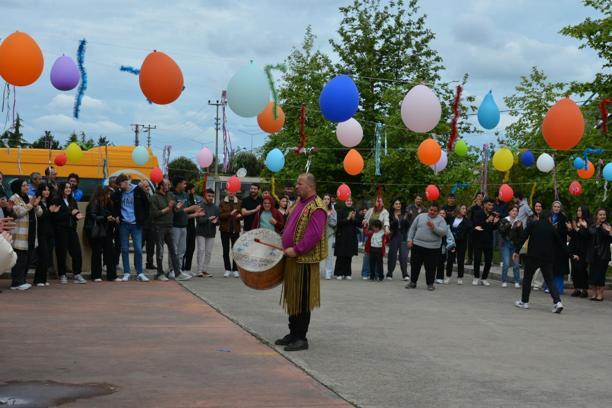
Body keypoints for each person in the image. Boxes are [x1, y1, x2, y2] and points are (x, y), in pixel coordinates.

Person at [274, 173, 327, 352]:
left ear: (310, 186)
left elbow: (313, 235)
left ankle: (301, 337)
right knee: (292, 296)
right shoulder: (300, 203)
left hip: (304, 260)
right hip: (292, 259)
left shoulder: (317, 207)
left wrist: (296, 250)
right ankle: (293, 333)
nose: (296, 186)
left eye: (299, 183)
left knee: (302, 299)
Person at [513, 210, 567, 313]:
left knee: (527, 279)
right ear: (549, 218)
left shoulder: (533, 224)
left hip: (533, 256)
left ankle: (524, 302)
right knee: (550, 280)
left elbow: (523, 236)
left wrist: (517, 251)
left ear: (538, 216)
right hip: (547, 258)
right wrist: (570, 254)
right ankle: (558, 302)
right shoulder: (552, 228)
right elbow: (560, 243)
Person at [111, 174, 150, 282]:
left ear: (126, 182)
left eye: (120, 184)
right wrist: (116, 215)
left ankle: (140, 272)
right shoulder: (119, 192)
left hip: (136, 224)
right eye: (118, 185)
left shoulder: (138, 190)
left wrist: (143, 220)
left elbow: (146, 205)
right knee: (124, 249)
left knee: (138, 248)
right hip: (124, 223)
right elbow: (113, 201)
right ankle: (127, 272)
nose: (120, 187)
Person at [8, 179, 42, 290]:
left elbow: (40, 213)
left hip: (31, 233)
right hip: (20, 234)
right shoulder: (14, 198)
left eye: (27, 185)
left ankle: (22, 280)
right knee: (20, 259)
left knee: (28, 258)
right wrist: (31, 205)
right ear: (18, 187)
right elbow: (18, 212)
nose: (26, 187)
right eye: (23, 185)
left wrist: (36, 205)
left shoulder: (29, 197)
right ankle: (16, 282)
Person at [149, 178, 185, 281]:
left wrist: (178, 207)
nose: (169, 186)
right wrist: (167, 209)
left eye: (169, 184)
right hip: (158, 227)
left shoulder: (170, 195)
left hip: (170, 225)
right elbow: (153, 214)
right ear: (161, 186)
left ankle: (178, 273)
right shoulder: (154, 198)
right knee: (160, 250)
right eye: (167, 185)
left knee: (174, 251)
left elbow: (174, 210)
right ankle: (160, 273)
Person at [405, 203, 447, 291]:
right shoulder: (420, 216)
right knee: (415, 265)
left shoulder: (441, 220)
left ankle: (430, 284)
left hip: (433, 248)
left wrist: (434, 227)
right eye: (431, 210)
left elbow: (443, 232)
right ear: (428, 209)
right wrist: (409, 240)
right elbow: (412, 228)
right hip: (417, 245)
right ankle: (413, 282)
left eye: (435, 211)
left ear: (438, 212)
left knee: (431, 267)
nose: (432, 212)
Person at [51, 181, 86, 284]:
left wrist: (77, 216)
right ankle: (62, 274)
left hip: (71, 229)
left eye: (69, 187)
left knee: (77, 252)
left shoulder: (72, 200)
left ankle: (77, 274)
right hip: (61, 230)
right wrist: (70, 213)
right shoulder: (56, 200)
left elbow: (75, 213)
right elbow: (56, 217)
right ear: (61, 189)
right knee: (61, 252)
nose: (68, 189)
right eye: (66, 187)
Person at [169, 176, 203, 278]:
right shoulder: (172, 195)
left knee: (182, 250)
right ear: (178, 184)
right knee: (173, 250)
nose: (185, 185)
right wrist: (191, 208)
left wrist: (195, 214)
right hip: (175, 225)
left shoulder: (185, 195)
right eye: (184, 183)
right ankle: (172, 270)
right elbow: (176, 211)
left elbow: (185, 213)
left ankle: (178, 270)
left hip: (184, 226)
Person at [85, 186, 117, 282]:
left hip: (106, 231)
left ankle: (111, 275)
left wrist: (114, 219)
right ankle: (96, 275)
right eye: (107, 194)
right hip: (97, 231)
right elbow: (93, 216)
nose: (109, 196)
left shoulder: (108, 203)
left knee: (109, 253)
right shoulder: (94, 203)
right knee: (97, 253)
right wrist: (106, 218)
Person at [471, 197, 499, 286]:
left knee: (488, 260)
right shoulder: (477, 213)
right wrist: (487, 220)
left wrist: (495, 223)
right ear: (484, 205)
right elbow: (477, 225)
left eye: (492, 205)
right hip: (478, 240)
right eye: (489, 205)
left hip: (488, 240)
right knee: (477, 259)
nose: (491, 207)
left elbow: (492, 228)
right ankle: (476, 277)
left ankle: (484, 278)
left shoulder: (493, 214)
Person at [361, 196, 390, 279]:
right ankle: (366, 273)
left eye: (381, 201)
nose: (379, 203)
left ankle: (377, 274)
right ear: (375, 202)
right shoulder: (370, 210)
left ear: (383, 203)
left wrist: (387, 228)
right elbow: (365, 219)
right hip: (370, 233)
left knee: (378, 258)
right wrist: (364, 222)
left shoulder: (385, 212)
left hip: (379, 234)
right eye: (378, 201)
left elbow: (387, 221)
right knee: (367, 255)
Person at [195, 188, 220, 278]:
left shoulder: (216, 208)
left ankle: (205, 270)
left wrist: (216, 221)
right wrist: (208, 219)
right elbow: (199, 220)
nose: (211, 198)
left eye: (212, 196)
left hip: (211, 232)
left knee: (208, 252)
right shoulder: (200, 206)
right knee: (201, 251)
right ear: (205, 195)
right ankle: (199, 270)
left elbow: (218, 221)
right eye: (209, 196)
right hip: (201, 232)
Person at [567, 206, 591, 298]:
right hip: (574, 249)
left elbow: (587, 236)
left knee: (582, 270)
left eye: (580, 210)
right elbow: (574, 236)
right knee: (575, 270)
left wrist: (580, 228)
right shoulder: (575, 222)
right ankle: (577, 288)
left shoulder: (587, 222)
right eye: (577, 210)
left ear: (584, 212)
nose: (578, 212)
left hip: (583, 250)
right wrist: (570, 229)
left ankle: (584, 290)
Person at [588, 209, 611, 302]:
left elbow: (610, 239)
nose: (602, 216)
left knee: (601, 275)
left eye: (604, 215)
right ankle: (594, 293)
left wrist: (610, 232)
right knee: (592, 274)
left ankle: (600, 294)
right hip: (593, 254)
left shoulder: (608, 225)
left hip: (603, 254)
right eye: (600, 214)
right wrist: (598, 227)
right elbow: (591, 233)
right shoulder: (593, 225)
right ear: (597, 216)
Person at [445, 204, 472, 284]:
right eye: (463, 208)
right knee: (450, 259)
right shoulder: (452, 218)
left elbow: (470, 230)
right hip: (452, 242)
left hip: (462, 243)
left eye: (465, 208)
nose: (464, 210)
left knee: (460, 259)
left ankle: (460, 277)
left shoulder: (467, 221)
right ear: (458, 209)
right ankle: (448, 276)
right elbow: (447, 227)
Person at [33, 183, 54, 287]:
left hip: (50, 233)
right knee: (43, 256)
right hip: (40, 233)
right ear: (40, 191)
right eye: (44, 190)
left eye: (48, 190)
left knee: (48, 257)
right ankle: (38, 280)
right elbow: (40, 216)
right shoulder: (37, 202)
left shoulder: (50, 202)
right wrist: (49, 211)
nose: (47, 192)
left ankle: (43, 279)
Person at [333, 198, 359, 280]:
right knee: (340, 255)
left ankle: (347, 273)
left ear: (352, 202)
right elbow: (338, 223)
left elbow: (358, 223)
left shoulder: (355, 211)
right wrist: (348, 218)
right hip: (341, 235)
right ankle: (339, 273)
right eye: (347, 201)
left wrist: (354, 218)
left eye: (350, 201)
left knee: (349, 255)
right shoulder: (340, 211)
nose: (349, 202)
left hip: (351, 236)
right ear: (345, 202)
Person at [219, 188, 242, 277]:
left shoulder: (239, 202)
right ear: (226, 191)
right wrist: (230, 214)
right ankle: (227, 269)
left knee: (235, 250)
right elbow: (220, 216)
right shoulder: (222, 202)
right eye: (229, 190)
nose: (231, 192)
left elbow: (241, 214)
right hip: (224, 230)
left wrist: (240, 216)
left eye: (233, 191)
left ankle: (235, 269)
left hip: (235, 230)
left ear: (236, 192)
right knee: (225, 250)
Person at [498, 205, 523, 288]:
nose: (514, 212)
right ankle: (504, 280)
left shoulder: (519, 221)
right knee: (506, 263)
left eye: (516, 211)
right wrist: (510, 225)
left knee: (516, 264)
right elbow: (502, 231)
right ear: (509, 212)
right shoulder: (504, 220)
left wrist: (519, 228)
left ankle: (517, 281)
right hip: (506, 244)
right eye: (513, 210)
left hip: (515, 245)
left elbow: (521, 236)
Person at [549, 201, 569, 295]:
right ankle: (549, 287)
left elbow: (565, 232)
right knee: (550, 267)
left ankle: (558, 288)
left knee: (559, 268)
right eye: (555, 206)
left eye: (558, 207)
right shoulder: (549, 217)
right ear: (552, 207)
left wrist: (557, 229)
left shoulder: (563, 217)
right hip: (551, 245)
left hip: (560, 246)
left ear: (560, 208)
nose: (556, 208)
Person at [387, 199, 409, 281]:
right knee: (392, 255)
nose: (398, 205)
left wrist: (405, 219)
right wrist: (395, 220)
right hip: (394, 236)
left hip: (403, 236)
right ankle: (389, 273)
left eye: (399, 203)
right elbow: (390, 226)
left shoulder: (404, 214)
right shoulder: (390, 215)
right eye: (396, 203)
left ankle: (405, 274)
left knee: (403, 256)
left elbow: (407, 226)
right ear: (393, 205)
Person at [182, 183, 200, 273]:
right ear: (188, 190)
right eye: (193, 189)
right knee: (184, 248)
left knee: (191, 247)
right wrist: (194, 211)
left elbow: (195, 208)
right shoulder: (184, 198)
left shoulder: (193, 198)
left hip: (192, 225)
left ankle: (187, 268)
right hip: (185, 225)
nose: (194, 191)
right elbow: (183, 212)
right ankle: (181, 268)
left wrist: (198, 211)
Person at [435, 209, 456, 284]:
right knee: (434, 261)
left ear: (445, 215)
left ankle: (439, 277)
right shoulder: (434, 223)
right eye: (440, 213)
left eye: (443, 213)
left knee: (441, 260)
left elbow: (450, 236)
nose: (442, 214)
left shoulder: (447, 225)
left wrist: (452, 245)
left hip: (443, 244)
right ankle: (433, 276)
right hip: (434, 244)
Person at [319, 194, 336, 280]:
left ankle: (328, 273)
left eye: (328, 199)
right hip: (319, 235)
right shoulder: (318, 209)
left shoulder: (333, 210)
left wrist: (328, 216)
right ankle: (317, 271)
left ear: (330, 201)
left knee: (328, 255)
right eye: (324, 199)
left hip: (329, 235)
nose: (326, 200)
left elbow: (334, 223)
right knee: (319, 254)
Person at [140, 181, 157, 271]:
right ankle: (137, 263)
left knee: (151, 245)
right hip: (142, 225)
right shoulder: (139, 196)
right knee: (140, 245)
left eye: (148, 186)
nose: (148, 188)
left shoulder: (151, 196)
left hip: (151, 224)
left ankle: (150, 263)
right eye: (145, 186)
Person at [467, 191, 484, 265]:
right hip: (473, 228)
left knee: (479, 245)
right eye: (478, 196)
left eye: (481, 196)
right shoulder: (472, 208)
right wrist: (472, 227)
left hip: (481, 228)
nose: (480, 198)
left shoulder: (484, 208)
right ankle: (469, 259)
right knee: (470, 244)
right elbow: (468, 217)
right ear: (476, 198)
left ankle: (479, 260)